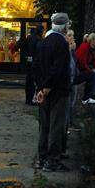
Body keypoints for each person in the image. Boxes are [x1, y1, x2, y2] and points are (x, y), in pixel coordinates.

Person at [32, 12, 72, 172]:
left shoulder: (43, 42)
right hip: (58, 91)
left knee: (44, 125)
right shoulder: (62, 44)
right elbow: (58, 69)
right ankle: (52, 161)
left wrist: (41, 87)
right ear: (65, 27)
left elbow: (35, 67)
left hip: (43, 91)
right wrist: (47, 87)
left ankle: (41, 159)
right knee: (56, 126)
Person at [17, 25, 43, 105]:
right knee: (34, 81)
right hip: (35, 62)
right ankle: (32, 99)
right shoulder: (38, 39)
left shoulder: (29, 37)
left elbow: (20, 45)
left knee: (29, 81)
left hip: (28, 62)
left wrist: (26, 56)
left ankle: (28, 99)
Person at [75, 32, 95, 104]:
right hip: (76, 72)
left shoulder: (93, 49)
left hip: (82, 70)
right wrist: (90, 70)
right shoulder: (84, 47)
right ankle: (86, 98)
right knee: (94, 73)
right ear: (92, 41)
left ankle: (92, 95)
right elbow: (82, 63)